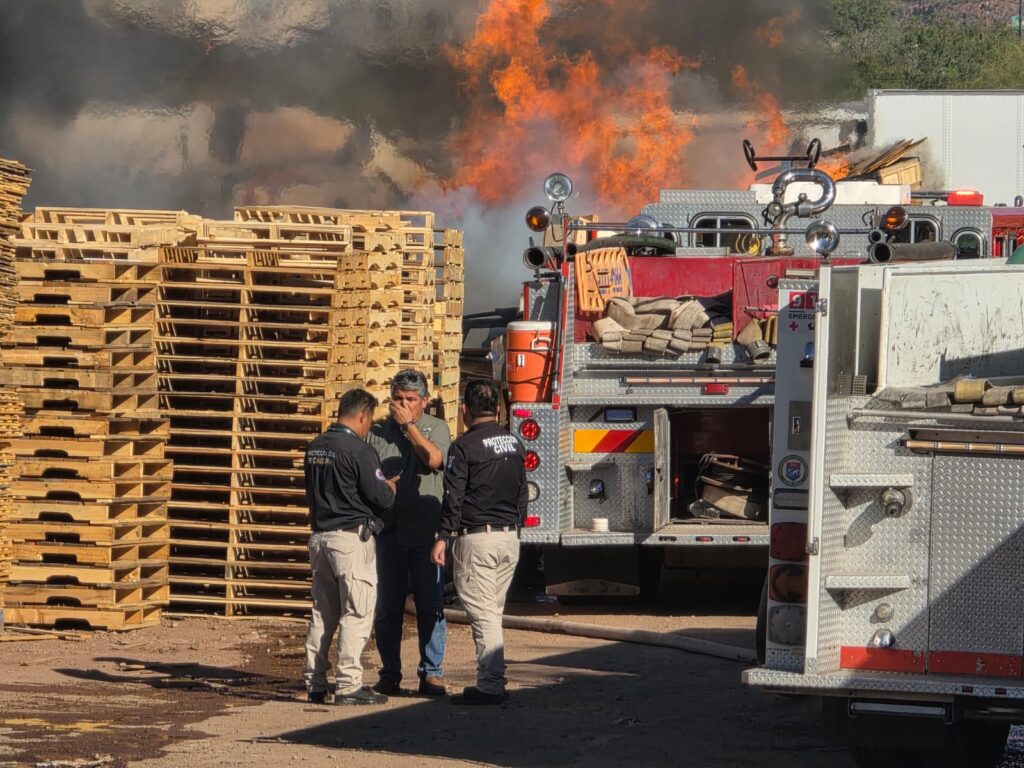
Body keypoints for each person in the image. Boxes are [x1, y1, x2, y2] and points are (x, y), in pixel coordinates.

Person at [431, 379, 527, 705]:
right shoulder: (514, 443)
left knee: (483, 614)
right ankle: (491, 679)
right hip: (509, 538)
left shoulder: (464, 447)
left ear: (464, 411)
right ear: (498, 409)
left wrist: (443, 536)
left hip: (477, 540)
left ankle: (490, 684)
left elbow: (453, 496)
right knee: (492, 611)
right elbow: (523, 492)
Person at [303, 388, 398, 706]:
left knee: (323, 612)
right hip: (350, 540)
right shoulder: (359, 450)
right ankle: (348, 684)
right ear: (362, 417)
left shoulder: (316, 447)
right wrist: (390, 487)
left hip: (320, 537)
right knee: (357, 610)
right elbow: (381, 497)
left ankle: (315, 681)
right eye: (369, 422)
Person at [368, 369, 452, 697]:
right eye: (398, 399)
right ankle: (390, 672)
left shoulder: (436, 428)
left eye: (411, 399)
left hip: (425, 533)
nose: (403, 405)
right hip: (389, 532)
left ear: (425, 401)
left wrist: (410, 429)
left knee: (430, 605)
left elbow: (433, 459)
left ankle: (431, 673)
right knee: (388, 607)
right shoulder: (377, 432)